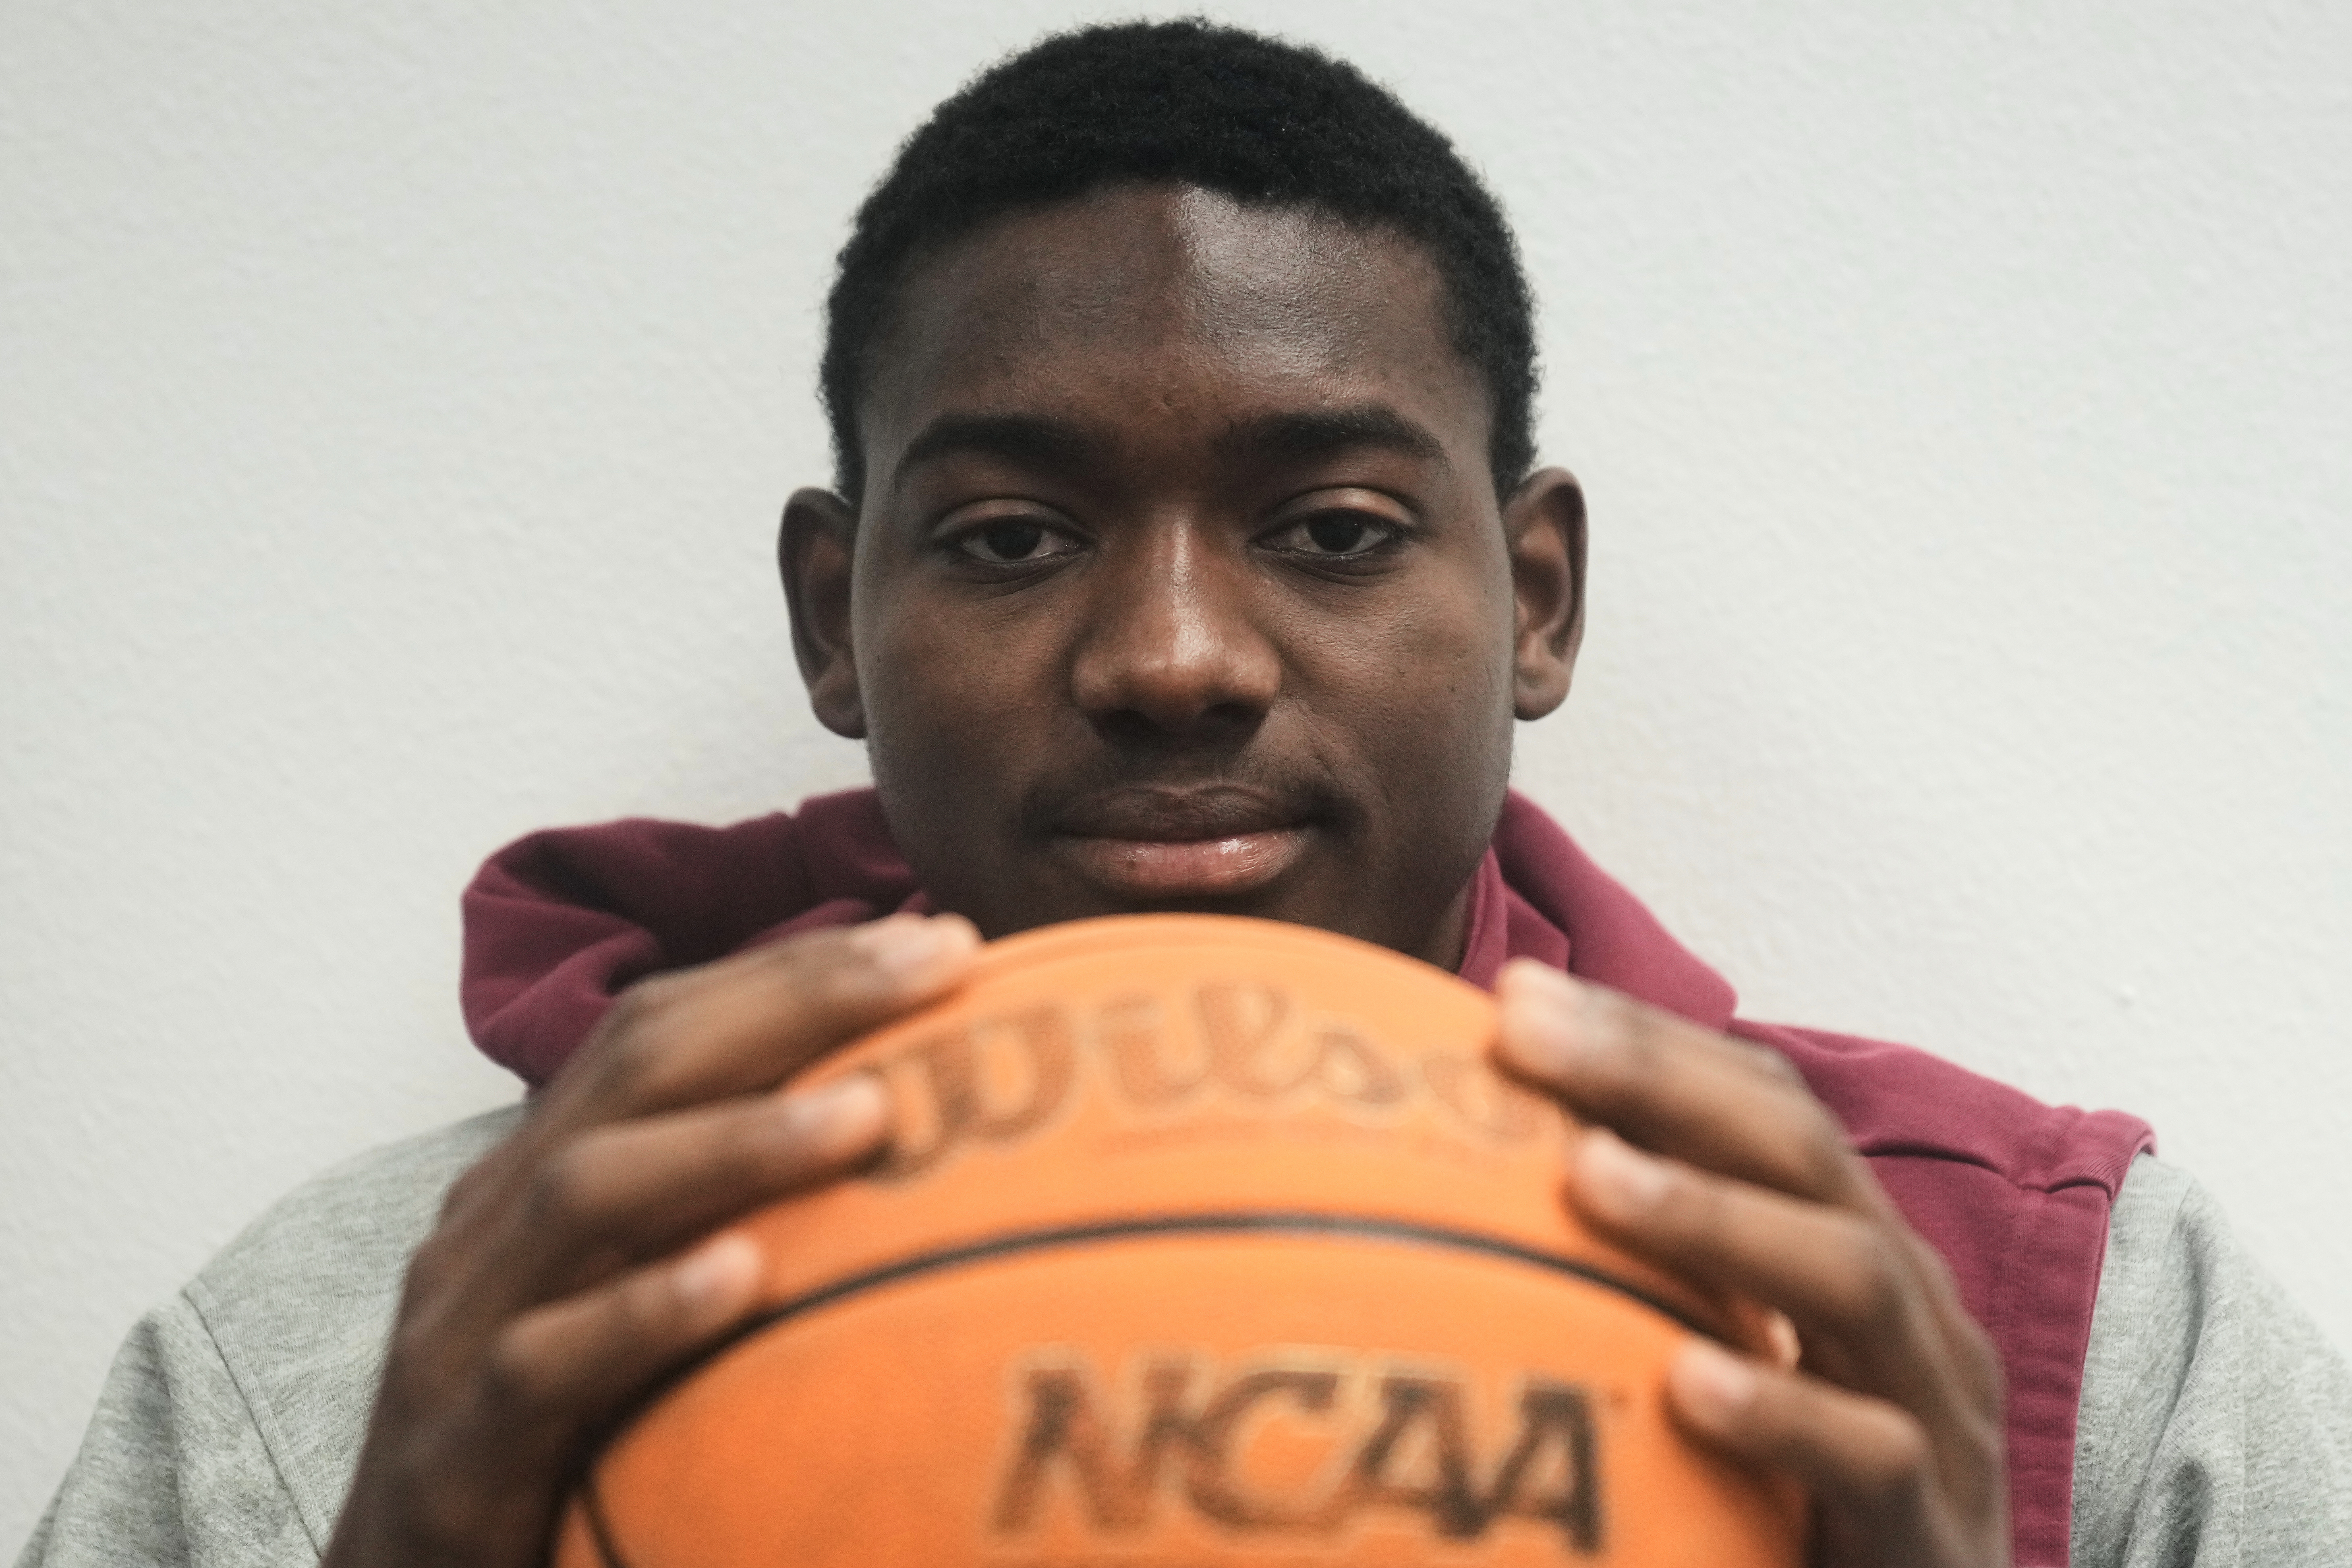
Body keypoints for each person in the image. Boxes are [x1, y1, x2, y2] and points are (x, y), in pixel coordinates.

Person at [19, 20, 2349, 1568]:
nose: (1169, 658)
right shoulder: (362, 1350)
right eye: (1013, 538)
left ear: (1533, 597)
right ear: (837, 619)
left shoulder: (2072, 1323)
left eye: (1330, 527)